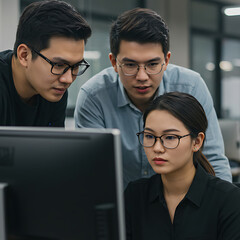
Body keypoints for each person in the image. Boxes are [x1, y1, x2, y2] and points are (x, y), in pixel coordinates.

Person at [74, 7, 231, 187]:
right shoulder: (94, 97)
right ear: (114, 63)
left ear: (166, 61)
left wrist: (222, 208)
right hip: (122, 206)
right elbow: (92, 171)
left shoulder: (191, 86)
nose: (142, 76)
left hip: (183, 206)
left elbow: (212, 159)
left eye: (152, 64)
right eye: (130, 65)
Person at [124, 92, 240, 240]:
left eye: (170, 137)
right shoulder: (135, 194)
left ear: (197, 142)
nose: (157, 148)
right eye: (150, 136)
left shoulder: (227, 199)